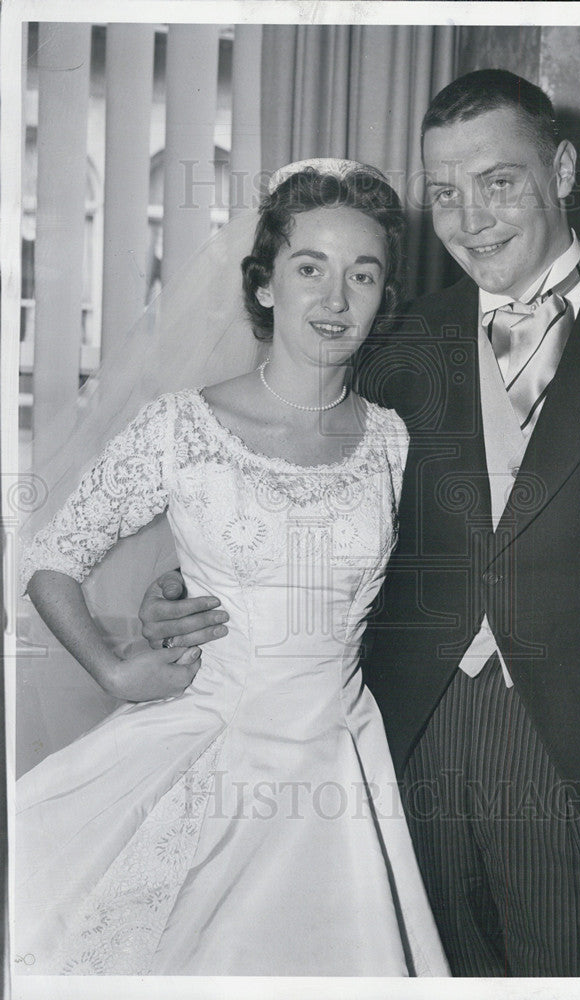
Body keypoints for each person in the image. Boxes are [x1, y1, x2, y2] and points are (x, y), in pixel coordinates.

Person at [139, 71, 580, 976]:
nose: (471, 218)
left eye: (497, 182)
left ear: (560, 167)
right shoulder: (387, 341)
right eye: (443, 192)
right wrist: (188, 595)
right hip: (393, 759)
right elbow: (291, 502)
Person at [15, 160, 450, 977]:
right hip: (207, 755)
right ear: (263, 286)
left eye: (363, 276)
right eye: (309, 268)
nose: (334, 300)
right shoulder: (183, 426)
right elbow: (48, 558)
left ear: (383, 297)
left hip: (345, 767)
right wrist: (114, 671)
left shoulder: (393, 437)